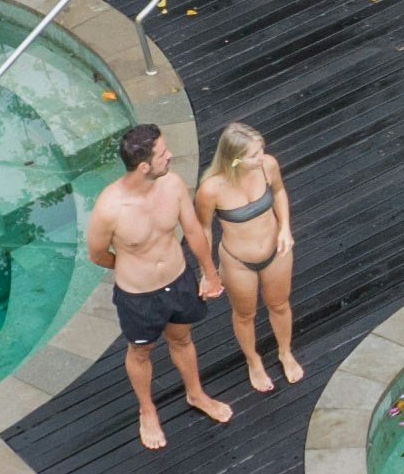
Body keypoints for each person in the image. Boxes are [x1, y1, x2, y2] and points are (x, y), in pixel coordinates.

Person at [84, 123, 231, 449]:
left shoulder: (173, 185)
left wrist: (210, 273)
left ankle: (196, 394)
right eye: (163, 154)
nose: (170, 156)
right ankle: (147, 410)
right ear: (143, 166)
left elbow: (192, 231)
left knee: (182, 339)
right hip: (138, 297)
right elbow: (97, 254)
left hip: (178, 282)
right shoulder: (109, 208)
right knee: (140, 351)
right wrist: (132, 267)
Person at [198, 122, 299, 394]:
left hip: (275, 251)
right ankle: (253, 360)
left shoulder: (268, 165)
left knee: (280, 305)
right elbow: (204, 229)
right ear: (235, 159)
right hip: (238, 261)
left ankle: (285, 352)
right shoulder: (211, 190)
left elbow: (278, 191)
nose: (261, 156)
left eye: (261, 149)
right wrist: (207, 272)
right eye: (254, 154)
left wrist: (285, 228)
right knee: (245, 314)